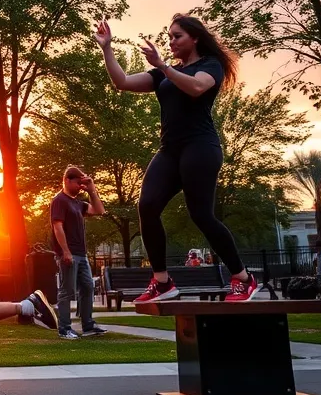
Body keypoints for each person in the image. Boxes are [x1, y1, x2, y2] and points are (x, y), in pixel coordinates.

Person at [94, 15, 257, 302]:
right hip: (170, 150)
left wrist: (162, 66)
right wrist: (107, 48)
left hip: (200, 147)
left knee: (201, 215)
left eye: (177, 36)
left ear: (194, 38)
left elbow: (196, 87)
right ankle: (163, 282)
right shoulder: (163, 74)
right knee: (147, 206)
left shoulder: (209, 66)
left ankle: (243, 278)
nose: (171, 41)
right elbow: (121, 82)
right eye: (169, 37)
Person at [50, 166, 108, 339]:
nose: (80, 187)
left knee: (88, 287)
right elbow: (57, 227)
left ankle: (88, 325)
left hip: (82, 254)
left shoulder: (78, 203)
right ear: (67, 180)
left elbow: (99, 210)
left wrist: (91, 189)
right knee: (67, 290)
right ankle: (64, 329)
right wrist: (65, 251)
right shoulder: (59, 200)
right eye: (78, 183)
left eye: (83, 184)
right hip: (69, 253)